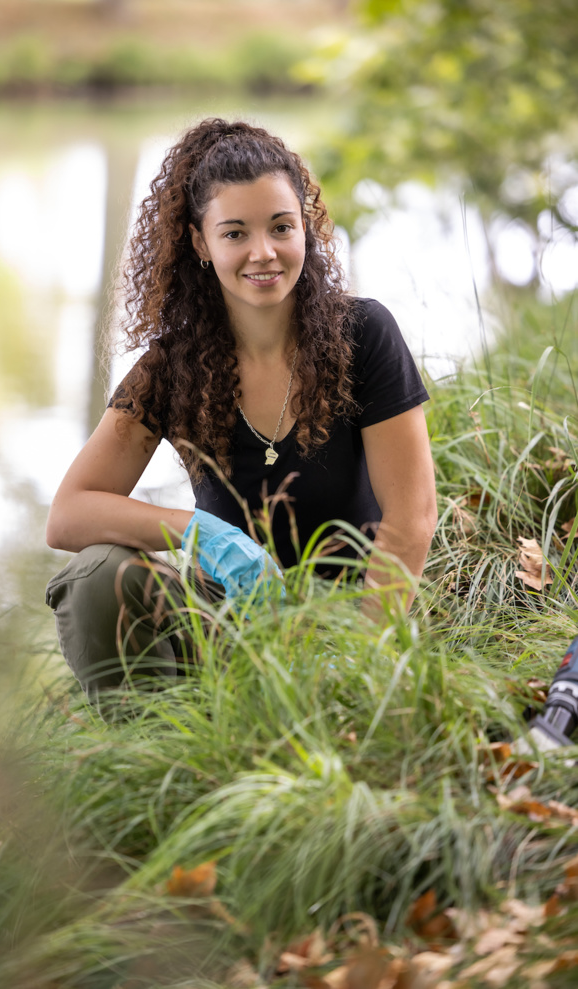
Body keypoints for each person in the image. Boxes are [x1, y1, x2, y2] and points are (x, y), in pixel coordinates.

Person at [45, 117, 438, 710]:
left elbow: (412, 517)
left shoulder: (364, 333)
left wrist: (359, 656)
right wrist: (205, 533)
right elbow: (68, 516)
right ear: (202, 244)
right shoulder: (171, 367)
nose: (264, 253)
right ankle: (157, 753)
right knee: (99, 574)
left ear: (305, 227)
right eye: (235, 234)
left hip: (345, 622)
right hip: (228, 627)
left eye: (282, 227)